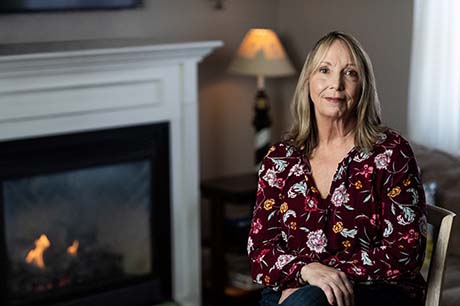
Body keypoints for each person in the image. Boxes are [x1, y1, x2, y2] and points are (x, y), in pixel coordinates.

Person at [247, 31, 427, 306]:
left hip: (375, 292)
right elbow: (260, 252)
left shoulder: (391, 153)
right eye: (324, 70)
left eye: (350, 73)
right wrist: (306, 272)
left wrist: (324, 276)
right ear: (308, 81)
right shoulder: (280, 159)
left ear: (363, 86)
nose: (336, 84)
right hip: (291, 289)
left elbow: (406, 251)